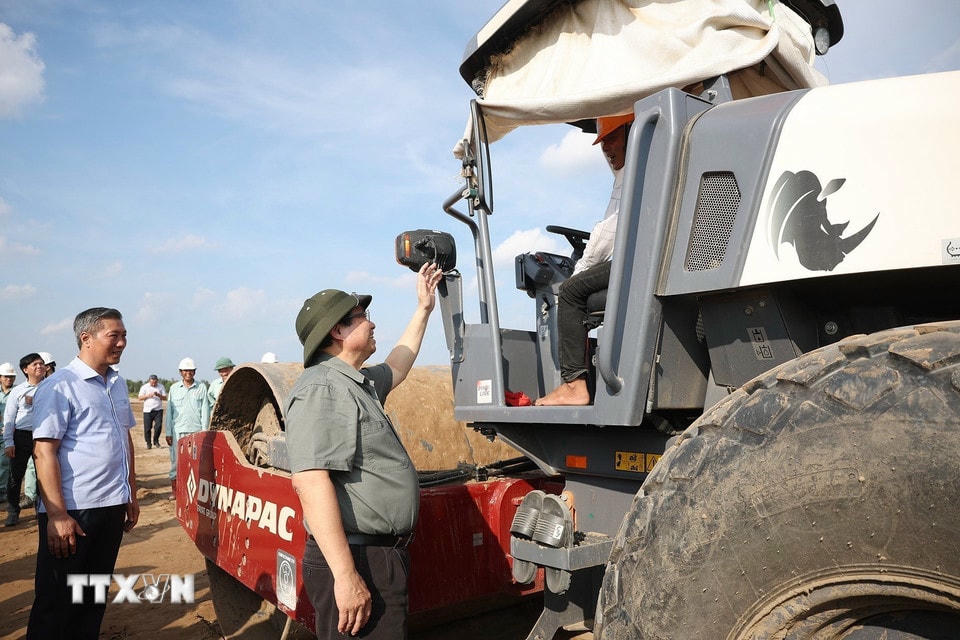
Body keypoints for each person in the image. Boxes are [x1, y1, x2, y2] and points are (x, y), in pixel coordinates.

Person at [286, 262, 442, 639]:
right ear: (338, 330)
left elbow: (398, 364)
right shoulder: (323, 388)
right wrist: (345, 576)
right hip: (357, 559)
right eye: (362, 317)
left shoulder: (357, 383)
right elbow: (310, 481)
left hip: (377, 557)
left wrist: (423, 308)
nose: (372, 324)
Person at [28, 307, 138, 639]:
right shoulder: (61, 386)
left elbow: (125, 439)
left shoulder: (116, 384)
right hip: (75, 512)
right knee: (57, 603)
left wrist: (129, 494)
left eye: (124, 336)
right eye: (113, 336)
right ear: (85, 338)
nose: (121, 343)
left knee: (91, 597)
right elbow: (43, 451)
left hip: (111, 506)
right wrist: (57, 515)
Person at [536, 114, 632, 406]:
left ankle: (574, 386)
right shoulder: (640, 170)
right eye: (603, 143)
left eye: (612, 138)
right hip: (646, 258)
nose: (606, 149)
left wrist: (577, 274)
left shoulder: (632, 174)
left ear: (632, 132)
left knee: (569, 293)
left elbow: (607, 234)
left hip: (637, 262)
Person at [3, 353, 46, 526]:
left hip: (43, 437)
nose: (40, 367)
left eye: (42, 364)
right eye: (35, 364)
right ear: (25, 369)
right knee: (15, 477)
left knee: (44, 475)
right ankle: (13, 511)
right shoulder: (18, 391)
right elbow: (9, 417)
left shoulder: (52, 388)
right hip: (21, 437)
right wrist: (9, 442)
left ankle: (41, 510)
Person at [164, 357, 209, 496]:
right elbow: (169, 413)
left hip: (195, 432)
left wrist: (204, 432)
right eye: (185, 371)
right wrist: (168, 432)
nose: (188, 373)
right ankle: (176, 492)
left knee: (195, 462)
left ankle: (193, 493)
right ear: (180, 372)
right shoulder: (174, 388)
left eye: (191, 370)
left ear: (194, 372)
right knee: (176, 462)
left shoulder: (201, 387)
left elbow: (205, 411)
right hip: (178, 432)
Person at [0, 362, 16, 504]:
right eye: (6, 376)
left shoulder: (17, 392)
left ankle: (3, 491)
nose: (9, 379)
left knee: (5, 462)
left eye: (11, 377)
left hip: (11, 432)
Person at [137, 374, 167, 449]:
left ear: (157, 381)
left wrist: (159, 395)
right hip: (147, 411)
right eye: (152, 382)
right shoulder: (144, 387)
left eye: (155, 382)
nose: (154, 384)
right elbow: (140, 397)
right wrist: (148, 395)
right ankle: (148, 443)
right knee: (147, 428)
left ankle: (156, 441)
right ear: (149, 381)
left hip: (158, 410)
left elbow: (165, 398)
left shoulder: (161, 386)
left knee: (158, 426)